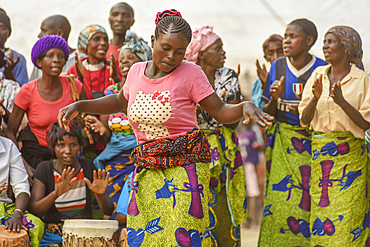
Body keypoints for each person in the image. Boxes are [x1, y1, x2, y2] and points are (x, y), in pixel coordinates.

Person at [57, 10, 273, 246]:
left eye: (180, 52)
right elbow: (120, 101)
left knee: (180, 233)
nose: (171, 56)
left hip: (185, 167)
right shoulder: (137, 72)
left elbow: (220, 111)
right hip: (147, 167)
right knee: (147, 236)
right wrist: (81, 105)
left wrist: (244, 107)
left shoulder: (192, 73)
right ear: (153, 41)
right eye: (166, 47)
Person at [299, 26, 370, 246]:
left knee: (349, 218)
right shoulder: (317, 75)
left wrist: (342, 102)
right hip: (321, 160)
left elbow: (366, 123)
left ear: (347, 48)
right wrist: (314, 98)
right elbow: (304, 119)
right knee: (322, 219)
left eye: (331, 42)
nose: (325, 46)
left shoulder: (362, 80)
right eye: (325, 41)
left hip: (351, 162)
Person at [258, 18, 326, 246]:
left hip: (313, 143)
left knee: (310, 199)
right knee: (281, 198)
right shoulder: (277, 66)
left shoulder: (322, 68)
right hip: (284, 145)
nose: (286, 41)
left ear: (309, 41)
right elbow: (268, 111)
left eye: (293, 37)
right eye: (285, 36)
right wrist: (274, 100)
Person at [185, 25, 245, 246]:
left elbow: (234, 121)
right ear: (201, 54)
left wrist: (223, 108)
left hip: (222, 148)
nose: (223, 53)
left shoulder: (228, 76)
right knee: (194, 199)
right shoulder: (186, 75)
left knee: (223, 199)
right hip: (193, 149)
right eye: (217, 48)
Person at [5, 35, 88, 183]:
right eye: (50, 56)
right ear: (38, 61)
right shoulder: (27, 91)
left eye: (61, 56)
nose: (56, 60)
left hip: (68, 159)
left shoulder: (74, 86)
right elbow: (10, 131)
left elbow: (88, 119)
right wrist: (23, 166)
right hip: (36, 160)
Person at [90, 31, 152, 221]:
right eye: (122, 59)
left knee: (133, 215)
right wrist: (102, 129)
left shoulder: (150, 93)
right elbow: (108, 133)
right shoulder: (111, 91)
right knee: (113, 214)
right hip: (114, 161)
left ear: (142, 62)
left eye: (130, 58)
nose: (124, 62)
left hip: (141, 159)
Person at [28, 121, 114, 247]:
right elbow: (34, 210)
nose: (67, 151)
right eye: (61, 145)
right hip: (54, 235)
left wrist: (100, 194)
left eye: (73, 145)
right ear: (53, 147)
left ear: (79, 146)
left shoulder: (87, 166)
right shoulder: (45, 169)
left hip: (83, 231)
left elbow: (108, 210)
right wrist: (56, 194)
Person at [0, 110, 43, 247]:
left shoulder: (8, 146)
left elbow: (21, 186)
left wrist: (18, 214)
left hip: (5, 208)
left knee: (35, 226)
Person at [67, 24, 120, 99]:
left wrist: (116, 78)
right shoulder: (74, 70)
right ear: (85, 44)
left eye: (105, 40)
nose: (103, 43)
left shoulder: (114, 67)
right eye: (97, 39)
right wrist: (80, 79)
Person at [30, 15, 80, 81]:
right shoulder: (42, 59)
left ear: (59, 34)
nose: (39, 36)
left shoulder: (80, 60)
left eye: (44, 31)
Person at [252, 34, 284, 110]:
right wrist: (265, 86)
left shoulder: (294, 76)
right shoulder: (259, 83)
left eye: (280, 51)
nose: (275, 57)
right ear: (266, 58)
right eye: (270, 53)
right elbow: (259, 113)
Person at [0, 9, 28, 86]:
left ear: (9, 32)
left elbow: (23, 93)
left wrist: (10, 75)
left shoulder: (18, 59)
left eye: (2, 28)